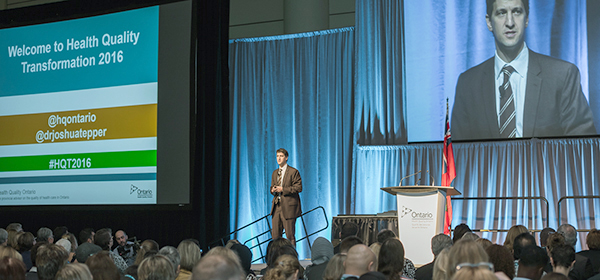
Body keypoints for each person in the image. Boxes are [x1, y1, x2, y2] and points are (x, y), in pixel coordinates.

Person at [451, 0, 596, 141]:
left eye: (517, 12)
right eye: (501, 13)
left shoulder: (562, 75)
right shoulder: (468, 84)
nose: (510, 22)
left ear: (526, 19)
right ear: (489, 22)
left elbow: (583, 148)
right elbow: (458, 156)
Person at [270, 148, 302, 246]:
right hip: (277, 207)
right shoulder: (275, 172)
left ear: (286, 158)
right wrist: (273, 190)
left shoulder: (293, 172)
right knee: (275, 236)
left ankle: (292, 257)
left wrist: (283, 189)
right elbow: (272, 187)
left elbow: (298, 188)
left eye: (281, 156)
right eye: (277, 156)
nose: (279, 158)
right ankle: (276, 258)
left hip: (288, 208)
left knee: (290, 236)